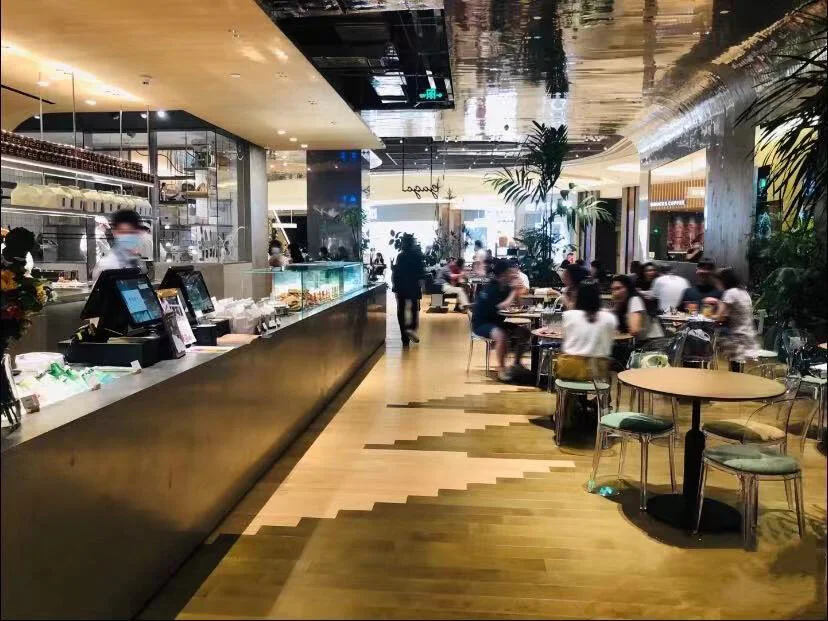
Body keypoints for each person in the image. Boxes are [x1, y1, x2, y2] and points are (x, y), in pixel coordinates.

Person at [472, 259, 528, 381]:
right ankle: (501, 369)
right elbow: (501, 306)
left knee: (524, 332)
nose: (513, 275)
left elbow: (519, 306)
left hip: (497, 323)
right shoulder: (491, 288)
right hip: (482, 324)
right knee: (500, 335)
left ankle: (517, 363)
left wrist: (518, 291)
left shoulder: (507, 287)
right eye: (510, 272)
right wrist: (513, 291)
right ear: (503, 275)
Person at [712, 267, 759, 371]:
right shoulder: (744, 293)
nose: (716, 284)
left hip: (738, 340)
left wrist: (713, 306)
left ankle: (710, 370)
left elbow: (719, 317)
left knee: (710, 341)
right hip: (750, 338)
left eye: (717, 281)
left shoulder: (730, 293)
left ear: (723, 281)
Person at [562, 281, 618, 358]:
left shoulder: (568, 315)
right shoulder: (609, 317)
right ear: (598, 297)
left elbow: (567, 339)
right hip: (598, 362)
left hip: (571, 362)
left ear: (578, 297)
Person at [391, 234, 425, 346]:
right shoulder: (418, 256)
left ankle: (404, 337)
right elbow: (421, 273)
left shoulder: (400, 256)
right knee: (414, 309)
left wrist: (395, 286)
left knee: (401, 310)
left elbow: (397, 272)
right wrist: (421, 285)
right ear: (412, 243)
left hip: (401, 287)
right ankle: (411, 328)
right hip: (413, 286)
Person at [92, 209, 145, 281]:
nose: (128, 236)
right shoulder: (106, 265)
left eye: (132, 232)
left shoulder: (135, 260)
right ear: (115, 233)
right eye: (124, 232)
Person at [610, 274, 663, 341]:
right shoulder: (623, 304)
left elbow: (634, 330)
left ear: (628, 288)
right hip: (644, 342)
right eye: (612, 290)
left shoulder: (635, 300)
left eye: (618, 288)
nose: (615, 293)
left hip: (653, 343)